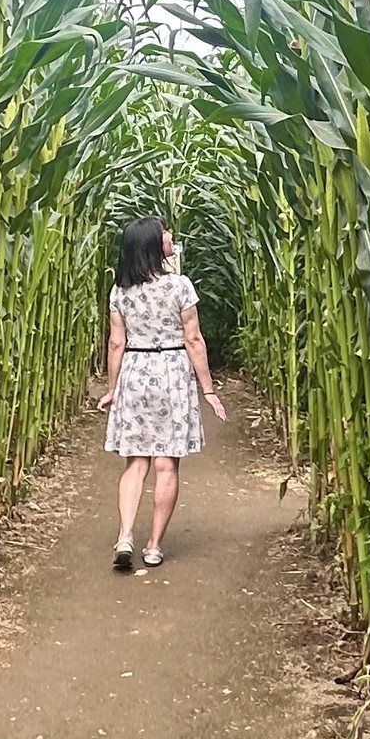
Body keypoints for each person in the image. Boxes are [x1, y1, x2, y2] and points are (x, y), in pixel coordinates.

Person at [97, 216, 224, 572]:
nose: (170, 237)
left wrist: (112, 390)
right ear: (154, 244)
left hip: (135, 373)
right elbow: (194, 339)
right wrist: (208, 389)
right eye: (165, 233)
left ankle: (125, 536)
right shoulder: (180, 286)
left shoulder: (120, 291)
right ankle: (153, 546)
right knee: (166, 464)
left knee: (136, 463)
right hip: (172, 374)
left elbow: (116, 343)